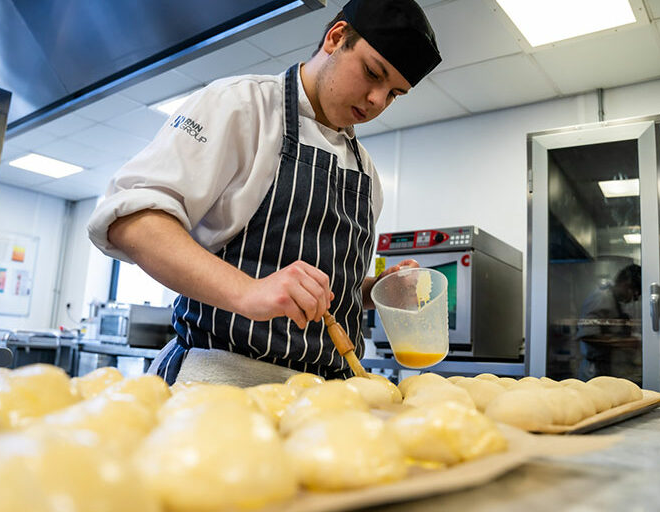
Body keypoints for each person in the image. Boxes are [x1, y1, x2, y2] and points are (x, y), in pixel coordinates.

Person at [87, 0, 442, 386]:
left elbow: (329, 294)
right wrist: (248, 292)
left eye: (393, 94)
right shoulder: (240, 107)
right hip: (220, 386)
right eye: (373, 73)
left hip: (328, 399)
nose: (377, 100)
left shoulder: (366, 172)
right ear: (336, 38)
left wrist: (375, 291)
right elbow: (132, 221)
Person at [575, 264, 642, 382]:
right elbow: (587, 336)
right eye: (634, 294)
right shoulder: (601, 298)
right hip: (594, 372)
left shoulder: (613, 300)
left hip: (606, 369)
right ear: (625, 284)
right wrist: (623, 343)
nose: (632, 300)